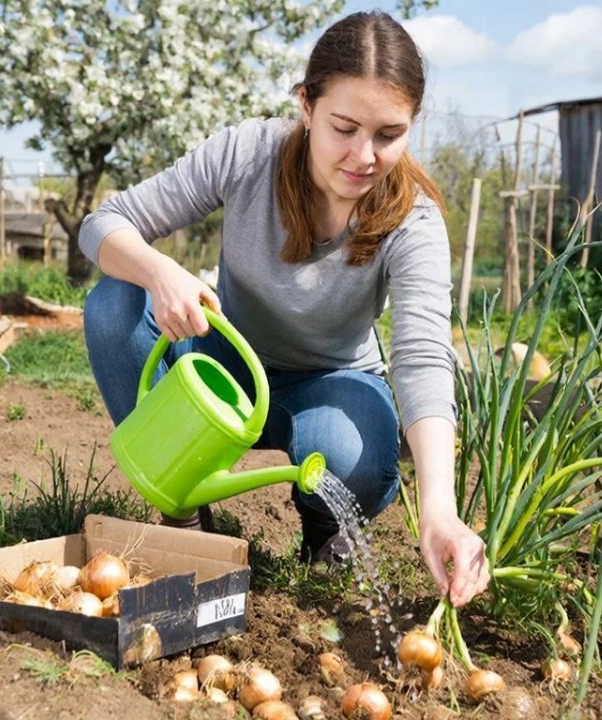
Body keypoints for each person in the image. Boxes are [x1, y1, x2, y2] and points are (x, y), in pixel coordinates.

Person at [79, 10, 489, 607]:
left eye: (388, 134)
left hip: (332, 382)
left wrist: (440, 510)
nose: (364, 156)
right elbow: (103, 224)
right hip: (225, 368)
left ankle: (327, 532)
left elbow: (423, 355)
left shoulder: (413, 219)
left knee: (350, 456)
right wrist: (159, 270)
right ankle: (185, 511)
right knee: (114, 302)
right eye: (344, 127)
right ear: (306, 104)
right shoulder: (249, 154)